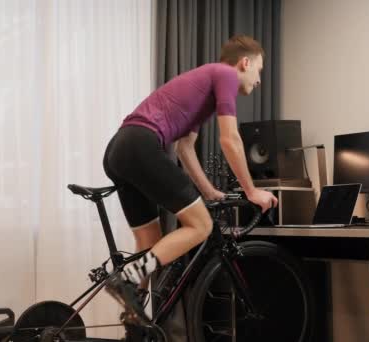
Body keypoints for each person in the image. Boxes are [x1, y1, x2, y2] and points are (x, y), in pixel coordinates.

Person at [102, 34, 279, 323]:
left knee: (149, 242)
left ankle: (135, 322)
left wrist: (209, 192)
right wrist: (252, 191)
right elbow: (230, 139)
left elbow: (185, 148)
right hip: (140, 145)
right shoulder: (225, 75)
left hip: (119, 149)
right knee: (201, 226)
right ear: (245, 62)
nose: (259, 81)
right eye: (259, 70)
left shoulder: (204, 88)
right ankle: (126, 278)